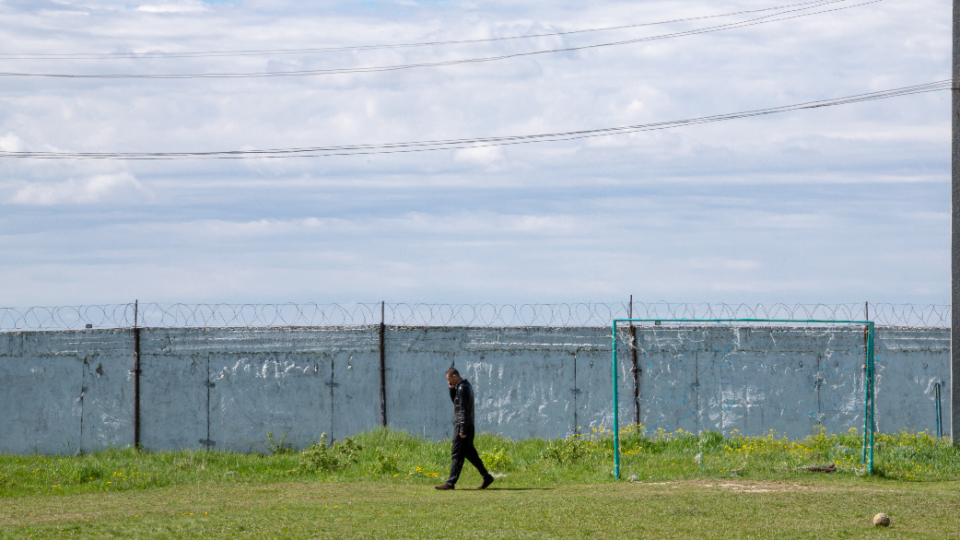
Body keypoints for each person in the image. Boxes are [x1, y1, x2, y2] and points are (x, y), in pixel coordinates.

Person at [435, 367, 494, 490]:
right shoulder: (466, 386)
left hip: (463, 426)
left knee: (456, 453)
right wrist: (451, 389)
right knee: (470, 453)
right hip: (468, 425)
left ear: (455, 376)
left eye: (449, 379)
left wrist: (462, 429)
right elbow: (457, 403)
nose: (448, 381)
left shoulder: (462, 389)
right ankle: (486, 476)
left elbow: (463, 410)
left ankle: (450, 483)